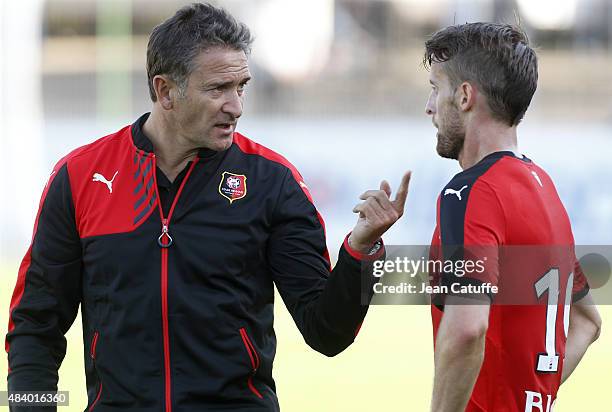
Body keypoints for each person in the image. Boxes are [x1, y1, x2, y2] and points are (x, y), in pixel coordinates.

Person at [5, 3, 410, 411]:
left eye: (241, 87)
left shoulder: (273, 183)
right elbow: (33, 327)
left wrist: (361, 252)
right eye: (218, 89)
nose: (235, 106)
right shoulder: (80, 176)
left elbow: (327, 334)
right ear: (165, 91)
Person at [422, 23, 602, 411]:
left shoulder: (470, 192)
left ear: (465, 96)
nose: (430, 106)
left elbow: (468, 328)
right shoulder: (544, 189)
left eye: (436, 89)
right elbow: (588, 322)